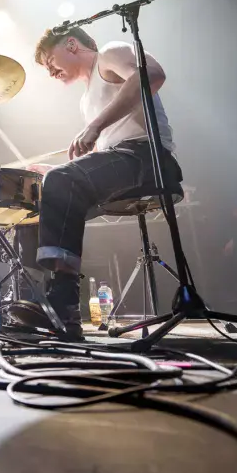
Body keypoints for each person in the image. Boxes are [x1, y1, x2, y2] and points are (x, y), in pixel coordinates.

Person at [32, 26, 182, 332]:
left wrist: (94, 127)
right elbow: (104, 155)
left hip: (148, 156)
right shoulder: (86, 100)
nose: (50, 72)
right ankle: (47, 299)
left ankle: (63, 304)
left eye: (50, 62)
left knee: (61, 182)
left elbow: (152, 74)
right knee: (48, 195)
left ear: (71, 44)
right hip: (124, 158)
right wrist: (58, 174)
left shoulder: (109, 54)